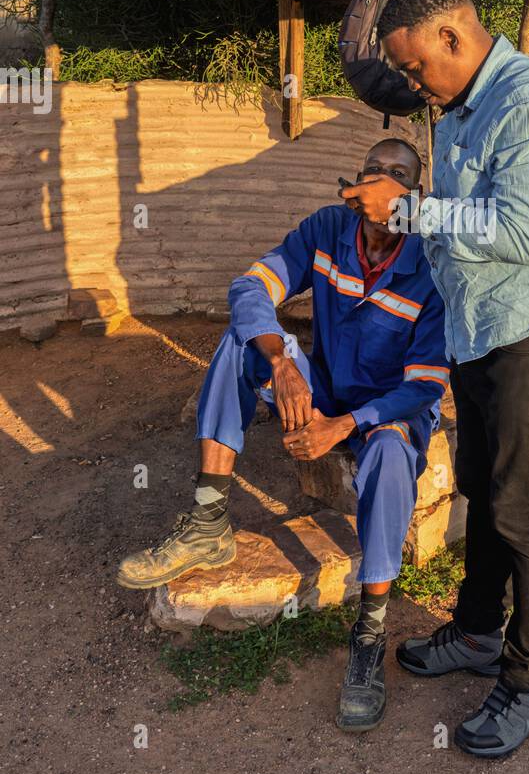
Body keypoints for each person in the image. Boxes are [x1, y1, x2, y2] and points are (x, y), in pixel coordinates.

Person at [341, 0, 529, 759]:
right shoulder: (459, 108)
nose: (415, 83)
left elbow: (521, 234)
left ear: (454, 36)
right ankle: (481, 633)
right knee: (484, 492)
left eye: (419, 66)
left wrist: (410, 211)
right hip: (482, 328)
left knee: (526, 508)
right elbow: (464, 230)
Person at [117, 138, 449, 733]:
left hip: (386, 409)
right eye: (375, 170)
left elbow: (424, 385)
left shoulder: (432, 264)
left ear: (414, 197)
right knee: (241, 342)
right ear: (355, 187)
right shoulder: (326, 230)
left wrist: (343, 427)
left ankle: (370, 630)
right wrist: (282, 362)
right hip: (322, 384)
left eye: (400, 176)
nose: (384, 182)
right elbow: (250, 288)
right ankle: (208, 518)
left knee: (393, 451)